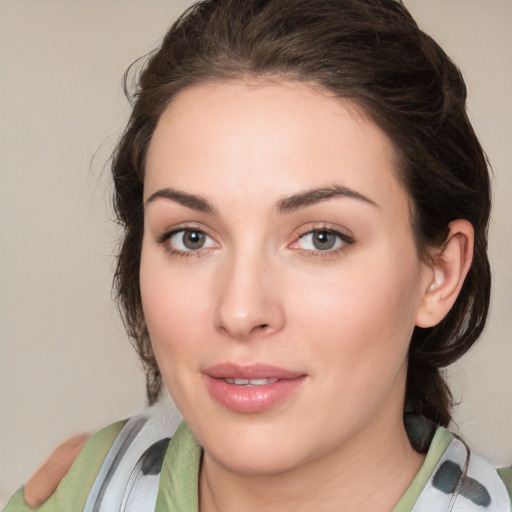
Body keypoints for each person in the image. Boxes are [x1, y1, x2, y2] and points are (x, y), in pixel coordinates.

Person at [3, 0, 511, 510]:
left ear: (440, 273)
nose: (240, 312)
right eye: (191, 237)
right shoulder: (76, 494)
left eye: (321, 238)